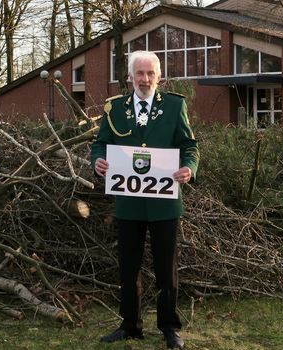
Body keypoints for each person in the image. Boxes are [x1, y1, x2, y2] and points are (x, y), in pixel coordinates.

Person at [90, 50, 199, 349]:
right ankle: (130, 324)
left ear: (159, 76)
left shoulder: (175, 107)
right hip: (129, 202)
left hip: (165, 203)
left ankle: (169, 327)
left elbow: (190, 145)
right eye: (140, 73)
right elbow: (100, 145)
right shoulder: (114, 109)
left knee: (167, 269)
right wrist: (97, 162)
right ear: (129, 77)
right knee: (128, 266)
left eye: (151, 73)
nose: (145, 79)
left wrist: (189, 168)